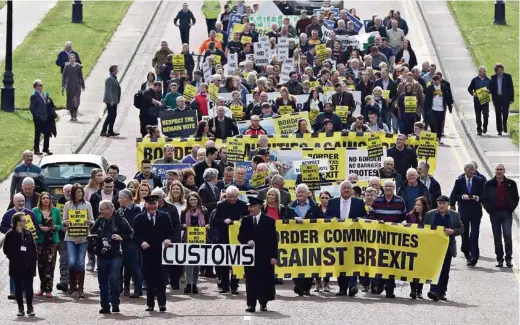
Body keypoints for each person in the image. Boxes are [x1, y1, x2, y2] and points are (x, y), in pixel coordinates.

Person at [90, 200, 133, 314]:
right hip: (102, 255)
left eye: (102, 209)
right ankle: (105, 305)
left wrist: (120, 236)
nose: (100, 211)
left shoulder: (120, 220)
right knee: (102, 281)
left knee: (114, 279)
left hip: (116, 254)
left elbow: (130, 233)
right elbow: (91, 231)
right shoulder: (99, 220)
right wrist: (95, 237)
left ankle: (115, 303)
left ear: (110, 209)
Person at [133, 195, 175, 312]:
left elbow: (171, 232)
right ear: (145, 205)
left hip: (160, 252)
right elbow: (135, 236)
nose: (152, 206)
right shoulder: (139, 218)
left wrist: (168, 239)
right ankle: (150, 304)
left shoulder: (164, 217)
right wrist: (141, 242)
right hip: (146, 252)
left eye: (154, 204)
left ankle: (162, 304)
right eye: (150, 204)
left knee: (161, 278)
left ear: (158, 204)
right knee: (149, 279)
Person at [325, 180, 365, 297]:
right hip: (337, 238)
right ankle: (342, 288)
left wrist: (359, 220)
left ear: (352, 190)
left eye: (348, 188)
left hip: (353, 238)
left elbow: (364, 216)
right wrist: (332, 220)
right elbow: (326, 216)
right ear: (340, 190)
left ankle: (352, 286)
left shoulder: (359, 202)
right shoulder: (332, 202)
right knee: (340, 262)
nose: (346, 190)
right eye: (344, 188)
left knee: (352, 261)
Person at [239, 196, 278, 313]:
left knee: (264, 280)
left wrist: (274, 256)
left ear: (259, 206)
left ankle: (263, 303)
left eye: (252, 206)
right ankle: (251, 304)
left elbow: (273, 240)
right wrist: (246, 241)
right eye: (249, 206)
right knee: (250, 280)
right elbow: (240, 236)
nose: (250, 208)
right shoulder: (245, 220)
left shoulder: (269, 221)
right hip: (250, 257)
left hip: (265, 256)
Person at [369, 180, 406, 297]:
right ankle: (379, 284)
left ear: (394, 188)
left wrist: (402, 223)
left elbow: (403, 217)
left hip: (394, 238)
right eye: (386, 186)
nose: (388, 188)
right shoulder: (377, 200)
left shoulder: (400, 201)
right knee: (379, 262)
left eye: (391, 186)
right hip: (379, 237)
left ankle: (390, 288)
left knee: (392, 263)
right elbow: (371, 216)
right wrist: (376, 222)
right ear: (383, 188)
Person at [425, 195, 464, 302]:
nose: (441, 206)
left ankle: (441, 292)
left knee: (445, 270)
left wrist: (453, 231)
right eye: (439, 203)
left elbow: (461, 229)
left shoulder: (455, 215)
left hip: (448, 247)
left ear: (448, 205)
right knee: (434, 269)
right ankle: (433, 291)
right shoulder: (430, 215)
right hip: (433, 247)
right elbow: (424, 229)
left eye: (444, 204)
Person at [286, 184, 323, 296]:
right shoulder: (289, 207)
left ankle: (306, 287)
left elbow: (321, 221)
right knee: (295, 262)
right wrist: (293, 219)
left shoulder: (315, 207)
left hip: (310, 240)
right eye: (299, 192)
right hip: (294, 240)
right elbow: (284, 220)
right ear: (296, 193)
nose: (301, 193)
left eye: (303, 192)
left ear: (308, 194)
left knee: (308, 262)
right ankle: (298, 285)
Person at [212, 186, 249, 293]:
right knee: (224, 262)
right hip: (224, 236)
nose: (232, 199)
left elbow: (248, 219)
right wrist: (224, 220)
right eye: (229, 197)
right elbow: (214, 221)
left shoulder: (243, 205)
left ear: (238, 195)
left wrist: (242, 221)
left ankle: (234, 285)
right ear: (226, 196)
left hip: (238, 237)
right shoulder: (221, 205)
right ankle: (224, 285)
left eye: (234, 197)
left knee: (236, 261)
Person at [482, 164, 519, 268]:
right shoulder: (489, 184)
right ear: (495, 171)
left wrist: (511, 208)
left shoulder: (511, 183)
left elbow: (516, 198)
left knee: (507, 236)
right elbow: (484, 199)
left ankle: (508, 259)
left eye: (501, 170)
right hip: (494, 214)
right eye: (497, 169)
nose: (499, 171)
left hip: (507, 214)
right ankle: (500, 259)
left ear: (504, 171)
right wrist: (489, 210)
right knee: (497, 237)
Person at [1, 194, 37, 300]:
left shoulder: (30, 213)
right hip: (14, 248)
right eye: (18, 201)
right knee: (14, 269)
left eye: (22, 201)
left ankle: (26, 291)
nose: (21, 203)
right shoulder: (8, 214)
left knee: (27, 270)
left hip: (27, 247)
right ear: (14, 202)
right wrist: (13, 231)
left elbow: (35, 227)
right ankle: (13, 291)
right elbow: (2, 227)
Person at [449, 162, 485, 266]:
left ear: (474, 171)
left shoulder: (480, 181)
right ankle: (466, 252)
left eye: (471, 172)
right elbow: (454, 194)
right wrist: (461, 198)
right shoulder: (459, 181)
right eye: (467, 172)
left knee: (474, 234)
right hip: (463, 211)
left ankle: (474, 256)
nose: (469, 174)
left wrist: (477, 198)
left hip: (475, 212)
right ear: (464, 171)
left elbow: (484, 195)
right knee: (464, 234)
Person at [3, 212, 38, 317]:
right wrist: (14, 259)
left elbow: (33, 248)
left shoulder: (28, 233)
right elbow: (6, 250)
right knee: (18, 287)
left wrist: (34, 260)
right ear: (18, 222)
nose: (25, 222)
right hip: (16, 265)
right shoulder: (10, 234)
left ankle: (30, 307)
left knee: (29, 287)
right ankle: (20, 308)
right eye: (23, 220)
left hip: (28, 265)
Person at [63, 184, 94, 297]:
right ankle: (72, 285)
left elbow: (92, 220)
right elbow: (64, 220)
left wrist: (88, 222)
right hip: (70, 236)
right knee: (72, 262)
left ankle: (81, 288)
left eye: (81, 192)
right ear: (73, 193)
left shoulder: (87, 205)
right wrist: (65, 223)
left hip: (83, 236)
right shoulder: (67, 205)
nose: (80, 194)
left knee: (80, 263)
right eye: (77, 192)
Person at [33, 192, 62, 298]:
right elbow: (32, 225)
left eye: (47, 198)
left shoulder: (56, 211)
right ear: (40, 200)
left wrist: (55, 227)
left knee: (50, 265)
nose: (46, 200)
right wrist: (40, 227)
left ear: (50, 200)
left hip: (52, 241)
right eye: (43, 198)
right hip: (40, 241)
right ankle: (42, 288)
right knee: (41, 265)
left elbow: (60, 225)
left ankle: (49, 289)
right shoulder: (35, 211)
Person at [180, 192, 210, 294]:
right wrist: (183, 225)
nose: (193, 202)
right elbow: (180, 223)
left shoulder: (204, 210)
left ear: (198, 200)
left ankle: (195, 285)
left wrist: (207, 226)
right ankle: (188, 285)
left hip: (201, 239)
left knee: (197, 263)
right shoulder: (184, 211)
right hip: (188, 239)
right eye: (191, 200)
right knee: (189, 263)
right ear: (188, 201)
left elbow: (208, 222)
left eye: (195, 199)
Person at [117, 189, 144, 298]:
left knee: (134, 265)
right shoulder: (120, 210)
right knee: (122, 265)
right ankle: (124, 288)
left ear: (126, 198)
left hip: (132, 241)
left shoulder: (135, 209)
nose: (119, 199)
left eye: (120, 197)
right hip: (121, 241)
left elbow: (134, 226)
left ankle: (138, 289)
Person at [405, 196, 429, 299]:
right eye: (416, 204)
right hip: (412, 245)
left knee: (421, 269)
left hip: (423, 246)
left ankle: (419, 290)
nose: (417, 207)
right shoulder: (410, 216)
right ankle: (412, 290)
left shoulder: (428, 216)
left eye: (419, 205)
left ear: (424, 206)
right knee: (412, 269)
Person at [29, 80, 56, 155]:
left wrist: (48, 101)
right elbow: (32, 108)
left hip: (46, 117)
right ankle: (36, 150)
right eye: (40, 85)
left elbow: (44, 104)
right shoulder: (34, 95)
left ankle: (45, 148)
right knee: (38, 134)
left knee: (47, 133)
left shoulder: (42, 94)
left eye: (42, 85)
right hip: (39, 118)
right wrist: (37, 116)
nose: (41, 86)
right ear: (35, 86)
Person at [424, 75, 453, 142]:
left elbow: (447, 97)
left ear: (439, 80)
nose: (436, 81)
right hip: (432, 108)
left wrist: (449, 105)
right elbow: (424, 91)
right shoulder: (430, 87)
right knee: (432, 123)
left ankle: (438, 137)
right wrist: (432, 92)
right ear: (433, 81)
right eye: (434, 80)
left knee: (439, 123)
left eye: (437, 80)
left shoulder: (443, 87)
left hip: (441, 109)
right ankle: (434, 136)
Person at [489, 63, 515, 135]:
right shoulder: (493, 78)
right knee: (498, 114)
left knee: (505, 113)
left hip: (505, 99)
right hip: (497, 99)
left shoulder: (508, 77)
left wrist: (511, 98)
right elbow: (492, 88)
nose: (500, 71)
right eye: (498, 70)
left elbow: (511, 88)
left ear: (503, 70)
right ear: (496, 71)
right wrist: (488, 91)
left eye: (501, 70)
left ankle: (504, 124)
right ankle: (499, 130)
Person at [467, 66, 491, 135]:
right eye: (482, 71)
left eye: (484, 71)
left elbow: (492, 89)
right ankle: (479, 129)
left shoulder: (488, 80)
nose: (484, 73)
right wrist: (473, 93)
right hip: (477, 101)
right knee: (478, 116)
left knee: (486, 114)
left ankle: (485, 126)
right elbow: (469, 88)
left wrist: (489, 91)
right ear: (479, 72)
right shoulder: (475, 80)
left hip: (485, 100)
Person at [61, 53, 85, 121]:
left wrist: (83, 86)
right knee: (70, 101)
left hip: (77, 85)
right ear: (69, 59)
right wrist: (63, 86)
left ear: (75, 59)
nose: (72, 59)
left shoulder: (78, 66)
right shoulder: (67, 67)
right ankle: (72, 115)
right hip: (69, 86)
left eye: (73, 58)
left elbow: (81, 76)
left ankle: (75, 114)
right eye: (71, 58)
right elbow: (64, 76)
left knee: (76, 100)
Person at [101, 65, 121, 137]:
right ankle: (103, 130)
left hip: (114, 100)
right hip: (111, 101)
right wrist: (111, 100)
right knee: (110, 115)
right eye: (116, 70)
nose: (117, 71)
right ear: (113, 70)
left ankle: (110, 130)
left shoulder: (113, 78)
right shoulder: (109, 79)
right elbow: (108, 91)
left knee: (113, 115)